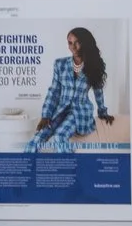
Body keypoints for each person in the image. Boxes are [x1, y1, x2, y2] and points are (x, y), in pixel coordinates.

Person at [30, 25, 113, 153]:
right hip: (60, 109)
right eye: (70, 43)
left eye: (77, 42)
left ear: (85, 43)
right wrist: (46, 115)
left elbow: (98, 92)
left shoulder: (93, 65)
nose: (73, 47)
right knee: (37, 138)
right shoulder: (60, 64)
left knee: (59, 137)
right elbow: (54, 91)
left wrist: (103, 112)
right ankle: (25, 168)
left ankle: (69, 170)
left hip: (79, 112)